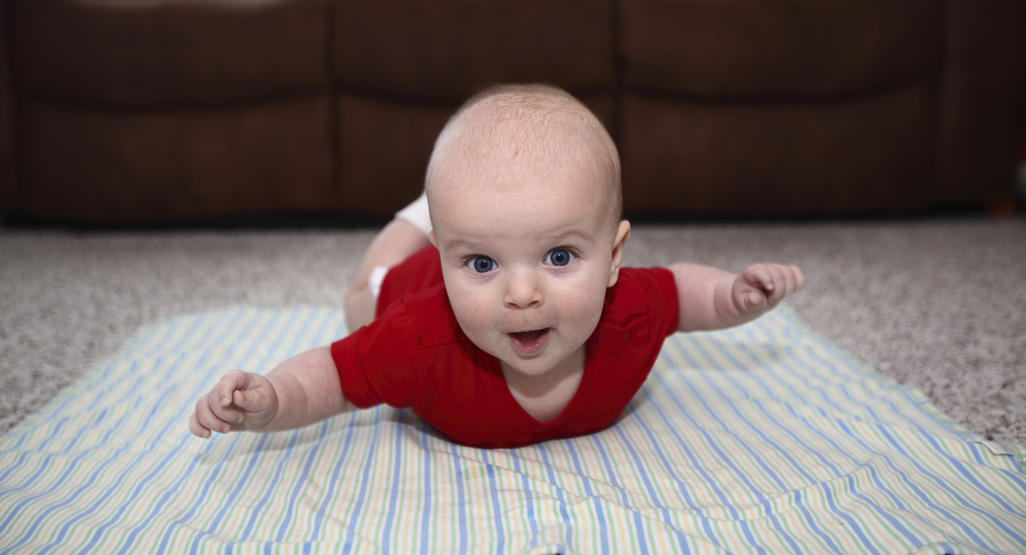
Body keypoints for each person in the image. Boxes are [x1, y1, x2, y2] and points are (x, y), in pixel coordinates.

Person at [189, 84, 804, 448]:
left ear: (614, 258)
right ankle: (414, 224)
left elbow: (684, 294)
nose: (521, 293)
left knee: (472, 243)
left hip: (450, 264)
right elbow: (329, 376)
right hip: (407, 288)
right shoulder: (417, 339)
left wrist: (735, 295)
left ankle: (449, 231)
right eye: (483, 261)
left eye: (559, 257)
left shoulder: (628, 313)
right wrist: (272, 398)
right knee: (359, 298)